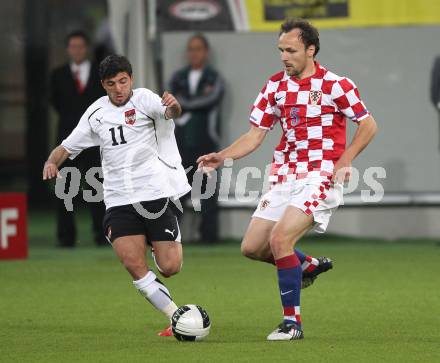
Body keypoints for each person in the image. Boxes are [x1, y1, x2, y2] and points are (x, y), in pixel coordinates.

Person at [197, 18, 378, 341]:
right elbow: (255, 136)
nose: (284, 56)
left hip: (321, 174)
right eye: (281, 49)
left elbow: (368, 125)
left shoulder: (336, 85)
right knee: (252, 247)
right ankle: (306, 266)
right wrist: (222, 155)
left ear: (311, 50)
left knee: (280, 240)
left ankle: (292, 324)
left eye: (291, 50)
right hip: (284, 175)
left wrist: (346, 158)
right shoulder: (274, 87)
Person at [43, 54, 190, 336]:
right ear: (103, 85)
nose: (119, 89)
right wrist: (51, 162)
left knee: (170, 267)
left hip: (154, 194)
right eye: (112, 84)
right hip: (118, 199)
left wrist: (174, 106)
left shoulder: (145, 99)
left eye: (123, 81)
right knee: (133, 263)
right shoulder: (96, 113)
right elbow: (66, 147)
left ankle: (154, 243)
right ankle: (176, 317)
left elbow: (171, 113)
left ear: (131, 79)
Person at [50, 30, 106, 247]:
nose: (77, 50)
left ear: (87, 48)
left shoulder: (100, 75)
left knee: (97, 188)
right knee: (65, 189)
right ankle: (66, 237)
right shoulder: (58, 75)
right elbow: (55, 102)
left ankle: (102, 235)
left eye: (80, 46)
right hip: (67, 139)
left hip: (94, 139)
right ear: (67, 49)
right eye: (73, 46)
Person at [169, 33, 224, 243]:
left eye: (198, 48)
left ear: (206, 52)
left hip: (206, 143)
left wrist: (185, 104)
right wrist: (190, 103)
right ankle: (171, 237)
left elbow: (210, 99)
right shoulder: (177, 76)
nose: (194, 53)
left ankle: (209, 238)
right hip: (180, 144)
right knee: (177, 192)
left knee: (208, 193)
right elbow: (171, 101)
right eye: (191, 49)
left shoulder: (214, 77)